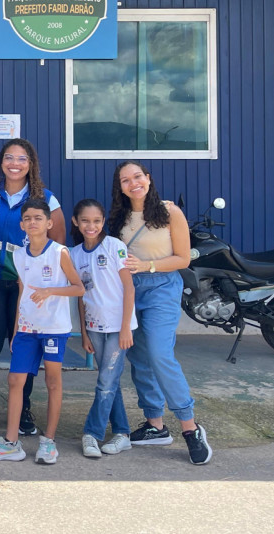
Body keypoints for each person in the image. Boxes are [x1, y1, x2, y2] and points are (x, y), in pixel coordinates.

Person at [111, 161, 211, 465]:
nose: (133, 183)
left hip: (162, 287)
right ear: (120, 187)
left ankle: (190, 427)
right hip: (130, 289)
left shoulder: (169, 212)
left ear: (148, 178)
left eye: (137, 177)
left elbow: (183, 258)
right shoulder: (118, 217)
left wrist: (147, 265)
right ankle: (155, 425)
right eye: (125, 180)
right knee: (139, 357)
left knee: (159, 354)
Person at [0, 138, 66, 438]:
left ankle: (23, 409)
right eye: (9, 157)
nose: (15, 163)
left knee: (25, 347)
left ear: (30, 164)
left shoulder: (46, 198)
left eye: (22, 158)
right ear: (1, 162)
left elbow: (58, 243)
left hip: (29, 287)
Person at [0, 199, 85, 464]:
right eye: (27, 218)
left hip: (53, 329)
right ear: (21, 225)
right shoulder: (19, 255)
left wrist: (50, 291)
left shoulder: (59, 252)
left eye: (38, 218)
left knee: (52, 381)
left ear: (49, 223)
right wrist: (16, 328)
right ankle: (11, 442)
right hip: (27, 328)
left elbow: (78, 288)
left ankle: (48, 441)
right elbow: (23, 292)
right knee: (15, 380)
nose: (32, 222)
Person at [72, 198, 137, 459]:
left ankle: (92, 433)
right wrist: (84, 332)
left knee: (105, 382)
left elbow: (129, 288)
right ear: (76, 222)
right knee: (109, 382)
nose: (91, 226)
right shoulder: (75, 254)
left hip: (119, 327)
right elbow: (80, 296)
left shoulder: (114, 247)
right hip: (94, 328)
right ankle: (122, 434)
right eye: (85, 221)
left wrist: (126, 328)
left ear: (103, 222)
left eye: (97, 221)